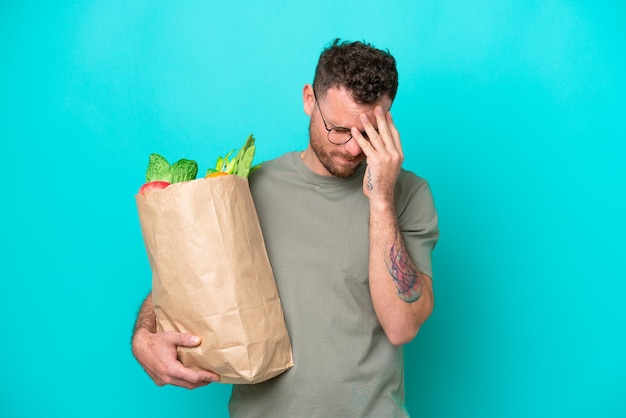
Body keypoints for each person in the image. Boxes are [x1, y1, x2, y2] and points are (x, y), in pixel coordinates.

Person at [132, 38, 439, 417]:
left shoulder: (409, 194)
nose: (353, 148)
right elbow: (186, 287)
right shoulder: (248, 188)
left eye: (369, 132)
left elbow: (402, 326)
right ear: (309, 100)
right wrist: (144, 338)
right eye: (339, 129)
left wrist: (380, 198)